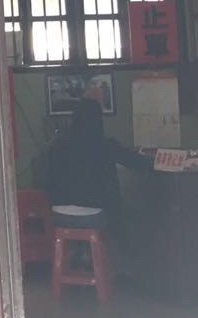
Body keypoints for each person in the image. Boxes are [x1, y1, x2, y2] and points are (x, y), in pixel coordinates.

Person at [45, 97, 148, 229]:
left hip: (59, 216)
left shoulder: (56, 146)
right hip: (94, 215)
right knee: (123, 220)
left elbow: (48, 182)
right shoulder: (105, 145)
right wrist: (158, 160)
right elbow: (134, 161)